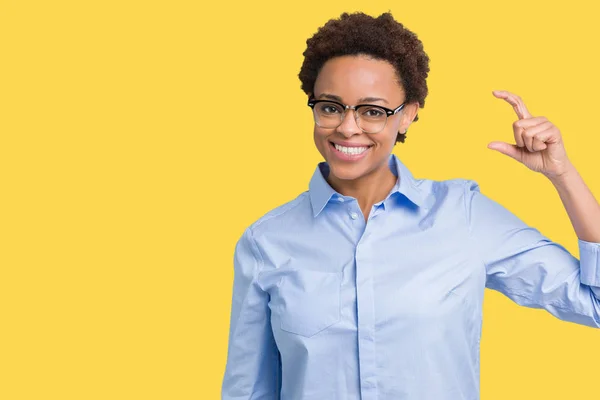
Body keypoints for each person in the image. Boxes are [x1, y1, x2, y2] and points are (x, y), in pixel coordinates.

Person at [221, 11, 600, 400]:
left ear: (407, 115)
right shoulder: (266, 241)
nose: (348, 127)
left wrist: (562, 174)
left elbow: (594, 303)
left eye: (372, 111)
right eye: (331, 107)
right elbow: (247, 391)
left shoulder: (463, 216)